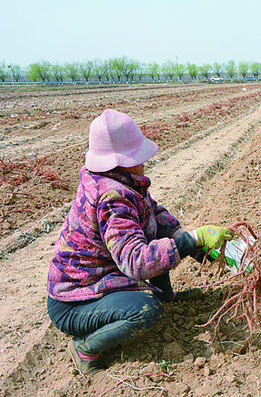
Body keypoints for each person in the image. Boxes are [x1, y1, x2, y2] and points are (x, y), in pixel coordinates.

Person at [46, 109, 233, 375]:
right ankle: (85, 347)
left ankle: (166, 295)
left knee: (157, 235)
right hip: (75, 302)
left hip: (99, 279)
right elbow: (137, 261)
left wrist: (187, 241)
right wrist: (192, 239)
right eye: (139, 157)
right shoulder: (112, 198)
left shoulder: (121, 183)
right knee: (147, 311)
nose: (144, 162)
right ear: (120, 162)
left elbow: (153, 214)